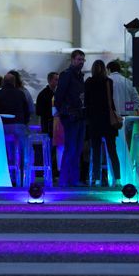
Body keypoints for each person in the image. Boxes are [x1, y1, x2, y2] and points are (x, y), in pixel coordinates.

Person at [84, 59, 121, 185]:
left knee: (96, 151)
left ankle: (96, 178)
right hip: (107, 121)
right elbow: (111, 101)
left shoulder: (88, 82)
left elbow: (86, 103)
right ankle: (117, 179)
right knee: (112, 151)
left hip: (94, 121)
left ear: (93, 69)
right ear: (105, 69)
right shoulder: (108, 82)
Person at [55, 50, 86, 186]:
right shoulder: (67, 75)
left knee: (77, 149)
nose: (81, 62)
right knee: (71, 148)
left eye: (82, 60)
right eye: (79, 59)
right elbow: (58, 97)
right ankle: (65, 179)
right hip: (71, 116)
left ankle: (73, 179)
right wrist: (65, 112)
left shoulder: (79, 76)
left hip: (79, 115)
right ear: (72, 60)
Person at [35, 72, 59, 177]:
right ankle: (48, 171)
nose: (58, 82)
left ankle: (55, 171)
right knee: (49, 148)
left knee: (57, 149)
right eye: (56, 80)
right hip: (48, 125)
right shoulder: (43, 94)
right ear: (49, 80)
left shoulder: (59, 93)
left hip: (58, 125)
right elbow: (39, 112)